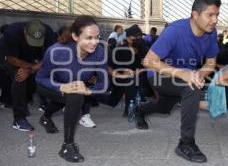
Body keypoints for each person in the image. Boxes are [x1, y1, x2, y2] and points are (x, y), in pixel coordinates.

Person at [133, 0, 221, 163]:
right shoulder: (175, 30)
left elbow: (211, 63)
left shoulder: (211, 33)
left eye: (217, 15)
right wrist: (184, 74)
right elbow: (148, 61)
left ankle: (140, 110)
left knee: (164, 107)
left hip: (183, 77)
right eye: (210, 15)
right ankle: (185, 143)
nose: (215, 20)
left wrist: (198, 75)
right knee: (191, 89)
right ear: (195, 15)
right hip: (159, 75)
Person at [36, 15, 107, 162]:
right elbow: (40, 78)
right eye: (89, 38)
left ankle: (45, 117)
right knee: (74, 96)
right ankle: (67, 146)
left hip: (73, 86)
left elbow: (104, 84)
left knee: (74, 94)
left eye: (97, 37)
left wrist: (89, 90)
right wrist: (61, 86)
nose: (94, 42)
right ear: (75, 36)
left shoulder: (99, 51)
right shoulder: (56, 51)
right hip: (50, 84)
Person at [3, 20, 56, 131]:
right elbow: (11, 58)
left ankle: (27, 101)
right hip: (13, 58)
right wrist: (30, 68)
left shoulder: (48, 32)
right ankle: (19, 119)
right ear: (25, 31)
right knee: (19, 78)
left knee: (36, 78)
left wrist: (32, 69)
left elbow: (50, 56)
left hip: (31, 60)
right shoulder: (12, 32)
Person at [105, 24, 148, 117]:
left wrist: (138, 71)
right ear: (128, 38)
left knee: (132, 81)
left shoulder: (144, 50)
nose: (138, 39)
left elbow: (150, 64)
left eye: (139, 36)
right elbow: (107, 66)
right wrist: (118, 74)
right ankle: (91, 95)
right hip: (117, 78)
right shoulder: (119, 50)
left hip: (135, 78)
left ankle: (130, 109)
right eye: (135, 37)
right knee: (112, 101)